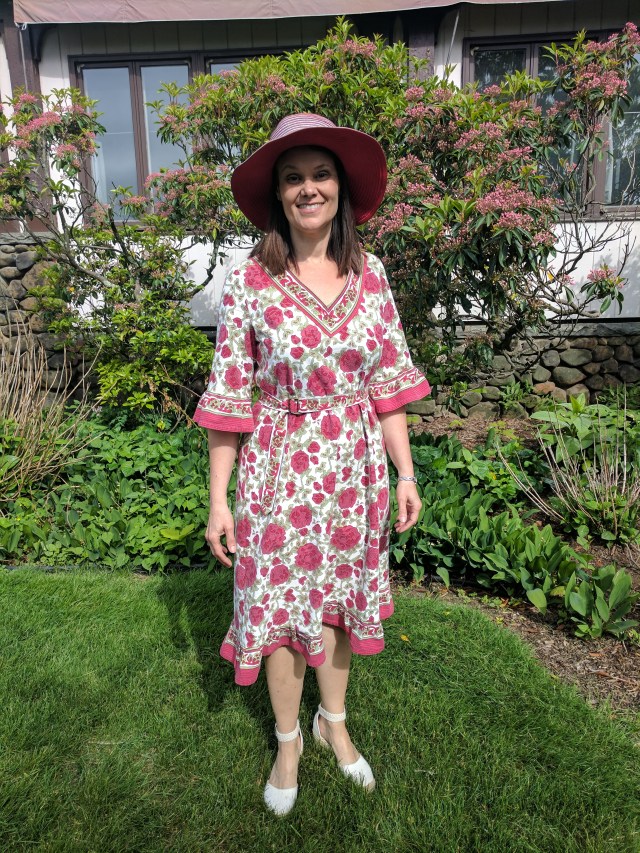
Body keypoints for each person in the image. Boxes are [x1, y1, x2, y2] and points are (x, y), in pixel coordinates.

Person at [194, 113, 431, 816]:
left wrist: (405, 472)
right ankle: (289, 739)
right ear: (278, 193)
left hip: (355, 470)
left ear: (341, 187)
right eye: (293, 177)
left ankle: (335, 722)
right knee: (279, 607)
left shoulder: (371, 274)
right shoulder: (250, 282)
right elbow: (229, 399)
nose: (308, 188)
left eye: (320, 174)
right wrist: (219, 500)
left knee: (340, 600)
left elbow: (388, 386)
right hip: (279, 472)